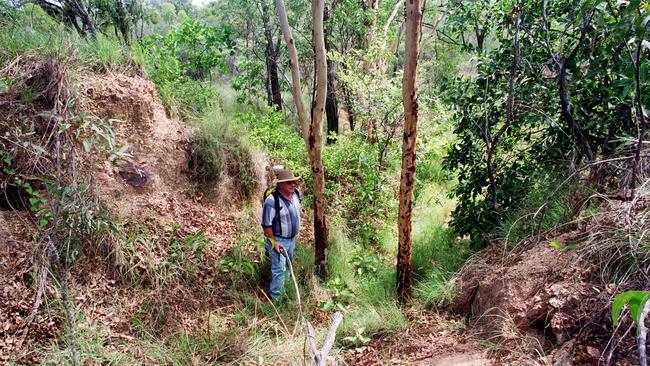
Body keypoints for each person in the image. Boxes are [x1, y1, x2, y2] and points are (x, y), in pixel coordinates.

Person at [261, 168, 302, 301]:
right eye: (289, 182)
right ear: (280, 184)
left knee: (288, 267)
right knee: (279, 270)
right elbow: (266, 225)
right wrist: (274, 243)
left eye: (294, 182)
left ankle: (286, 291)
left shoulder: (296, 195)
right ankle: (276, 300)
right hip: (278, 240)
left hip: (291, 240)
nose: (293, 185)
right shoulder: (272, 201)